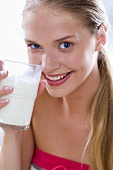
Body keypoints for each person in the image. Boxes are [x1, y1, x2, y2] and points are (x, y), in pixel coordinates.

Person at [0, 0, 113, 169]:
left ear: (100, 37)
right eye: (35, 46)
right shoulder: (32, 101)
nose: (46, 66)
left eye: (65, 45)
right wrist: (13, 130)